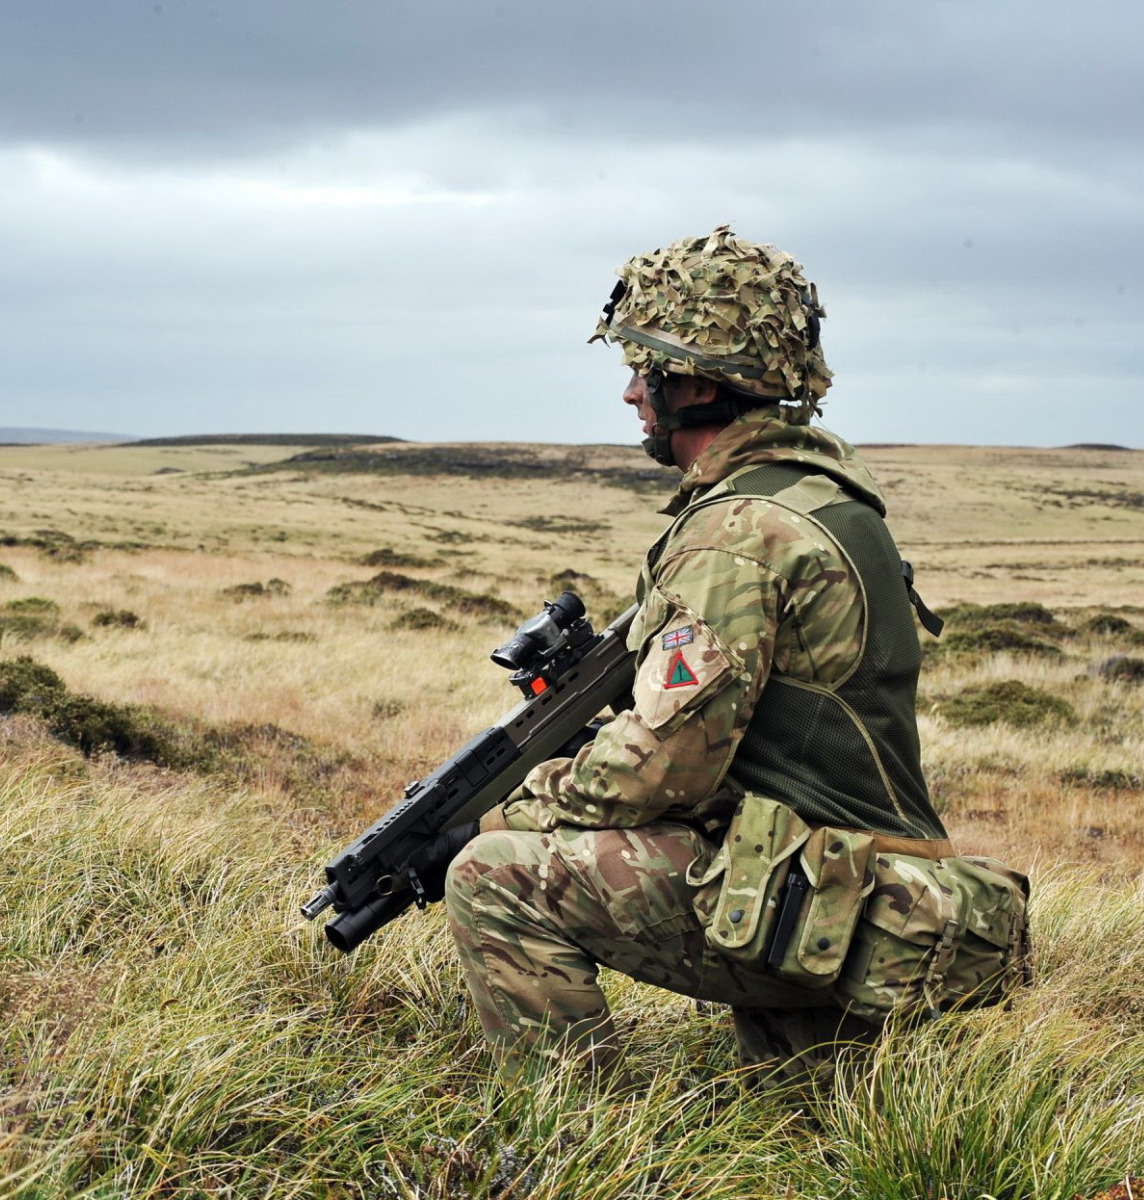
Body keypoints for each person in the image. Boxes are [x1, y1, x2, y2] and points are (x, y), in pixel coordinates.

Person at [440, 227, 1030, 1083]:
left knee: (495, 874)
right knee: (809, 1136)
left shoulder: (735, 536)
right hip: (854, 890)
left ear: (698, 381)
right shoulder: (832, 501)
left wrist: (513, 806)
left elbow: (659, 772)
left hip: (820, 898)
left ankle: (563, 1146)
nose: (631, 393)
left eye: (644, 368)